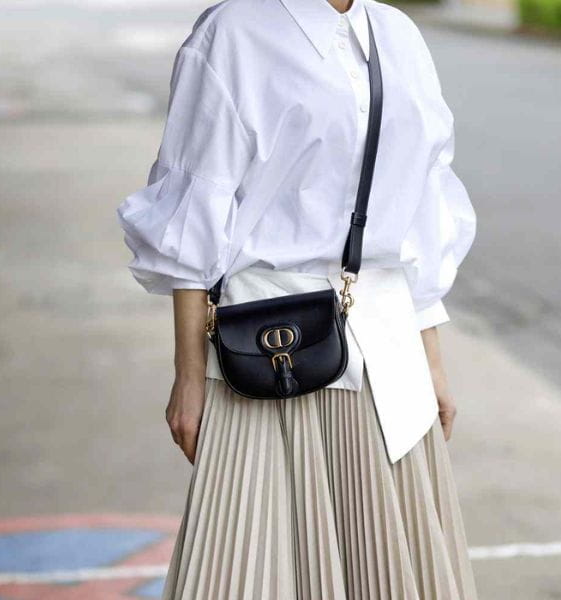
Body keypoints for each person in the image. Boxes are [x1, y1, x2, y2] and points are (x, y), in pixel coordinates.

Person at [117, 0, 478, 597]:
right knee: (254, 570)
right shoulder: (234, 31)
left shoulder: (398, 34)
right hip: (267, 357)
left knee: (386, 573)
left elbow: (424, 209)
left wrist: (431, 358)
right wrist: (188, 376)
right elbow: (193, 214)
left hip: (389, 362)